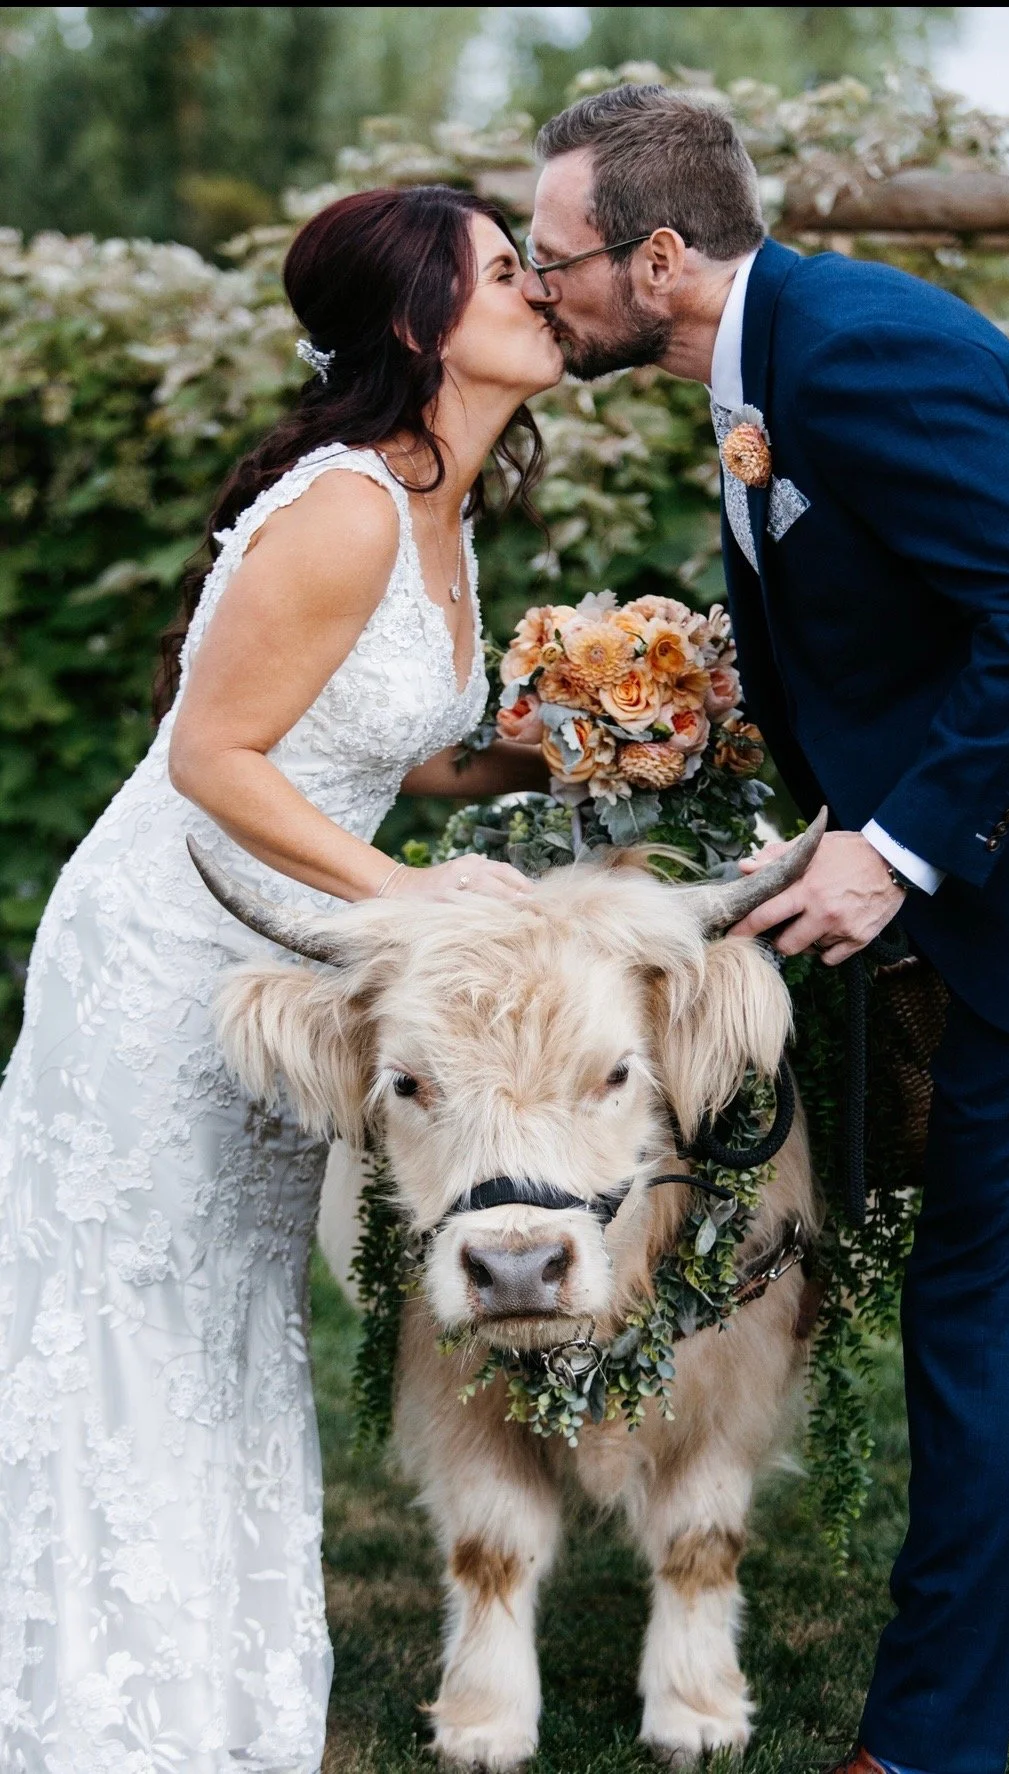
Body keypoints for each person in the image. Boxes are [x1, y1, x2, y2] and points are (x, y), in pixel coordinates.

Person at [525, 82, 1009, 1774]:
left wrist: (897, 847)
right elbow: (924, 612)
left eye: (556, 257)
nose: (539, 289)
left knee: (983, 1307)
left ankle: (923, 1743)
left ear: (658, 257)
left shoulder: (861, 349)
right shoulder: (770, 360)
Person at [0, 184, 557, 1770]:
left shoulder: (439, 497)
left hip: (282, 947)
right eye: (504, 272)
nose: (536, 292)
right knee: (133, 1309)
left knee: (230, 1311)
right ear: (416, 322)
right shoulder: (347, 507)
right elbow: (216, 757)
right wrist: (416, 907)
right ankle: (98, 1713)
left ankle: (217, 1693)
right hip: (167, 951)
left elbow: (378, 747)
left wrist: (569, 740)